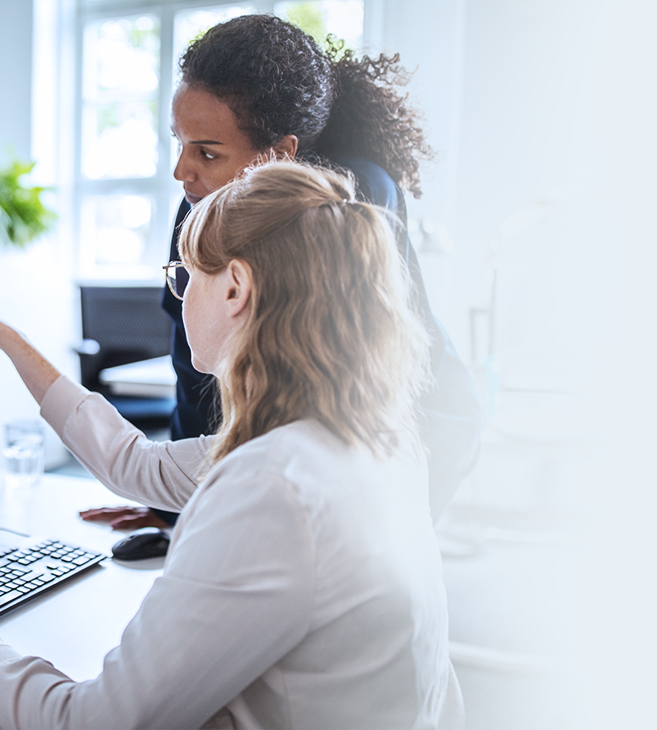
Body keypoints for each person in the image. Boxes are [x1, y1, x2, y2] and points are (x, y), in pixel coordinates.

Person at [0, 160, 463, 729]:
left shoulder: (273, 485)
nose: (180, 297)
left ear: (235, 287)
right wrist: (6, 339)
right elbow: (134, 463)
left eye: (185, 277)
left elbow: (94, 724)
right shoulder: (364, 437)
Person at [80, 15, 483, 548]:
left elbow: (329, 392)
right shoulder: (199, 204)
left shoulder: (351, 199)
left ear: (279, 152)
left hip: (416, 423)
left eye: (207, 152)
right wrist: (175, 508)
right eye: (179, 143)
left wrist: (217, 506)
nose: (183, 171)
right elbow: (194, 368)